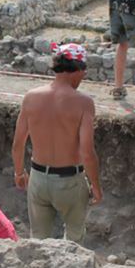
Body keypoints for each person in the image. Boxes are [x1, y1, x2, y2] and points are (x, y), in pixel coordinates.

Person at [11, 43, 102, 243]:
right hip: (69, 182)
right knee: (74, 240)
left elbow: (18, 143)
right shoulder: (83, 103)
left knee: (38, 241)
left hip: (38, 180)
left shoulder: (31, 97)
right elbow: (87, 152)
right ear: (76, 69)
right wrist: (95, 185)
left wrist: (19, 172)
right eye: (83, 72)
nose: (83, 76)